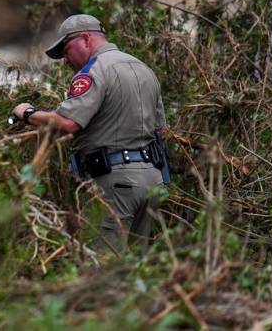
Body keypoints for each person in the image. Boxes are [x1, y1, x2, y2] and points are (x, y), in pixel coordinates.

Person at [11, 14, 168, 254]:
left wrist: (27, 113)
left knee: (104, 266)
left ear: (85, 39)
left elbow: (67, 122)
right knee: (139, 267)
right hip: (152, 181)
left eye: (65, 49)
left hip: (116, 184)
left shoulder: (94, 71)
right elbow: (159, 130)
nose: (64, 60)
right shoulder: (143, 68)